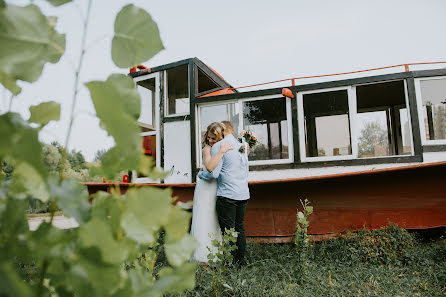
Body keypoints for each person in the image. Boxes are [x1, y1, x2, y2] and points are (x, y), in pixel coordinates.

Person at [199, 121, 250, 266]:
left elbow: (213, 173)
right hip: (243, 193)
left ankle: (230, 263)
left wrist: (201, 175)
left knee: (228, 231)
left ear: (221, 132)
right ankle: (240, 262)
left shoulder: (218, 147)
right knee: (239, 228)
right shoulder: (242, 146)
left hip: (227, 194)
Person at [190, 122, 233, 264]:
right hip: (205, 187)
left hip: (216, 187)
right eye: (209, 137)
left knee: (215, 218)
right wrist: (201, 175)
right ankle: (202, 255)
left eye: (214, 138)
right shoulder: (208, 149)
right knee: (204, 217)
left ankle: (216, 253)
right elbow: (209, 169)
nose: (210, 141)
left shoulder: (222, 147)